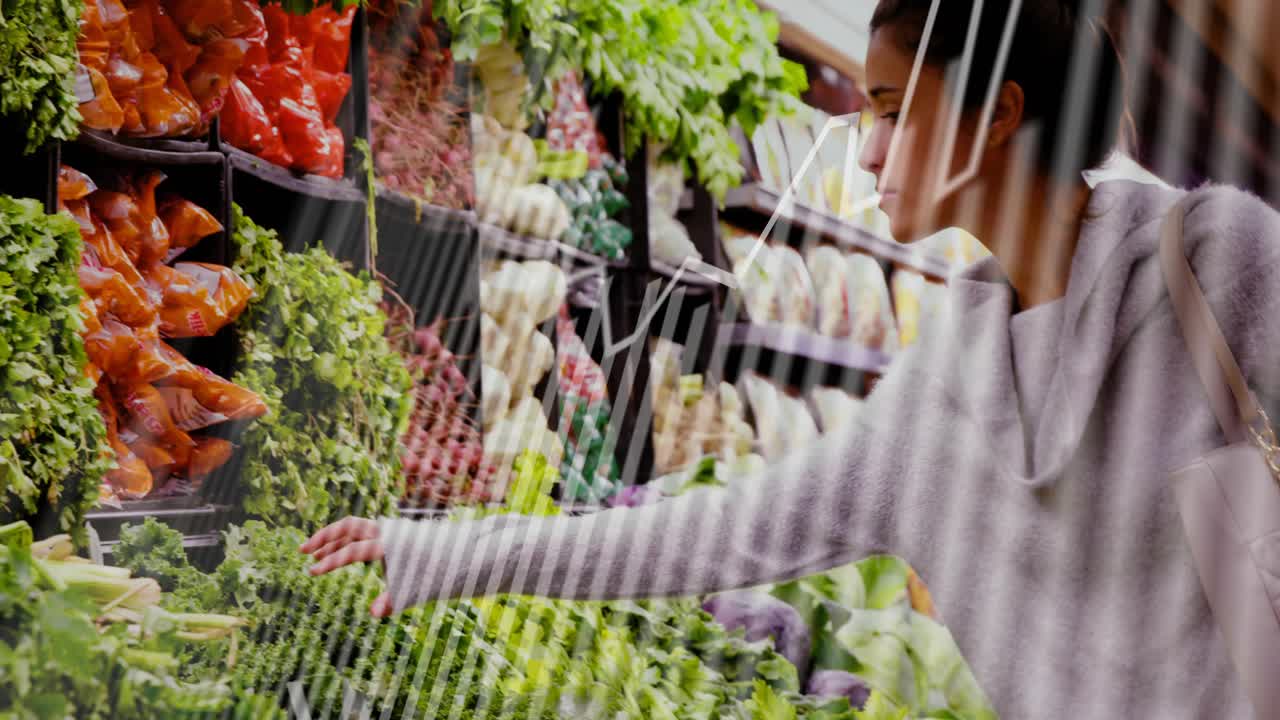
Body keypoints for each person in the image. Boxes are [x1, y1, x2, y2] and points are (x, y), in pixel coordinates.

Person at [301, 0, 1280, 716]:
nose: (862, 153)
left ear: (995, 112)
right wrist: (443, 550)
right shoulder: (939, 398)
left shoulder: (1211, 262)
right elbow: (708, 536)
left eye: (892, 110)